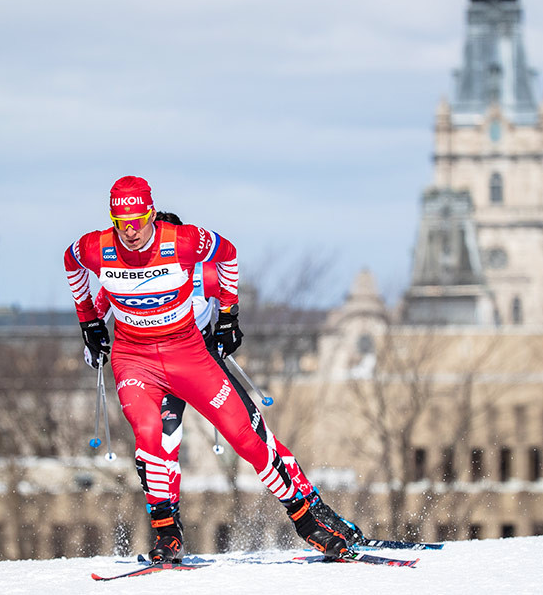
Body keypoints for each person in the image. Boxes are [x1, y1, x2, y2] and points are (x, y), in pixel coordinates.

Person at [64, 176, 349, 563]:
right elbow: (84, 282)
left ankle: (310, 516)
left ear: (154, 218)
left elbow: (228, 257)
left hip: (194, 358)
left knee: (248, 437)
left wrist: (229, 318)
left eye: (139, 221)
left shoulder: (192, 256)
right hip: (138, 361)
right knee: (153, 439)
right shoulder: (100, 250)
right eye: (121, 222)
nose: (130, 232)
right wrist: (90, 330)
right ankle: (168, 533)